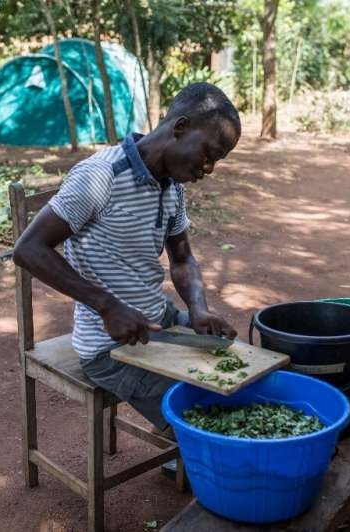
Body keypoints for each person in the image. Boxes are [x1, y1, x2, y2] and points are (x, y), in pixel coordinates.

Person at [13, 82, 241, 437]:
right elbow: (28, 249)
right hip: (108, 347)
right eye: (209, 154)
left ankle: (185, 453)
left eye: (218, 160)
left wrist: (198, 308)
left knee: (236, 367)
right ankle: (189, 449)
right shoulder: (100, 176)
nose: (210, 168)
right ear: (180, 128)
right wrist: (106, 307)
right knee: (207, 414)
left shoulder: (173, 186)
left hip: (158, 322)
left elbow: (182, 257)